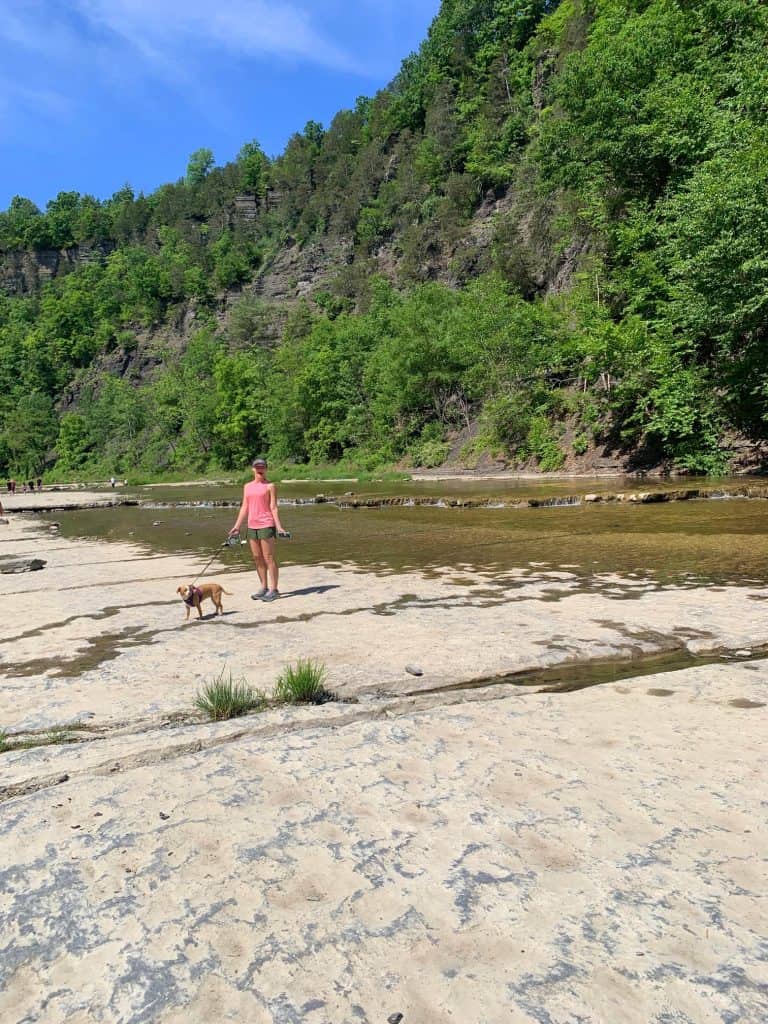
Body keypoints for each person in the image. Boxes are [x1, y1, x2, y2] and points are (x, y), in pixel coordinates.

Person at [229, 458, 286, 602]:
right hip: (252, 525)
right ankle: (264, 587)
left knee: (269, 558)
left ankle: (274, 589)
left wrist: (278, 526)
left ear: (266, 469)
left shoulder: (270, 486)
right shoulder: (247, 486)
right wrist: (237, 526)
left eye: (263, 467)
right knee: (257, 558)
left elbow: (273, 507)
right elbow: (244, 507)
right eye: (257, 467)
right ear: (253, 469)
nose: (260, 469)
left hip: (266, 524)